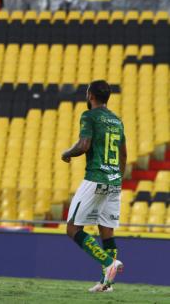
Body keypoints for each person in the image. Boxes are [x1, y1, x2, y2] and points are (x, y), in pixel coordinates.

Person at [62, 80, 126, 292]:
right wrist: (118, 178)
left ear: (90, 95)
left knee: (72, 228)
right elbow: (124, 154)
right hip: (115, 180)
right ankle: (107, 284)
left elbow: (83, 145)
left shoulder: (89, 116)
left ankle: (108, 263)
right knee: (106, 231)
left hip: (96, 177)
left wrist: (67, 153)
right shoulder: (117, 121)